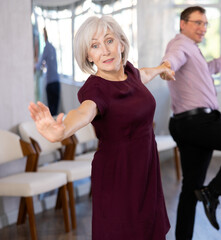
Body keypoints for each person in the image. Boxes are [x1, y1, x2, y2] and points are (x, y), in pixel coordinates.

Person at [28, 15, 175, 240]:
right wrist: (62, 130)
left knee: (149, 229)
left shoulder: (131, 73)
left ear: (121, 44)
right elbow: (84, 112)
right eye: (95, 46)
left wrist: (161, 68)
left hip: (146, 168)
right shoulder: (95, 90)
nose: (105, 51)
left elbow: (144, 74)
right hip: (118, 174)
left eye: (109, 41)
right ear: (89, 55)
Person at [161, 6, 221, 240]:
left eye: (205, 24)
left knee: (190, 187)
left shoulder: (192, 49)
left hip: (185, 124)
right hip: (199, 122)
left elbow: (204, 70)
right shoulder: (181, 45)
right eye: (197, 23)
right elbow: (172, 59)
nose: (202, 28)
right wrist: (166, 67)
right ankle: (212, 194)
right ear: (183, 23)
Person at [35, 28, 61, 115]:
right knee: (55, 110)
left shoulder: (46, 48)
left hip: (50, 83)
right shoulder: (53, 48)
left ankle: (52, 127)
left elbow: (38, 66)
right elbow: (50, 63)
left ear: (44, 36)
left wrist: (35, 66)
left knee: (51, 111)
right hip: (57, 82)